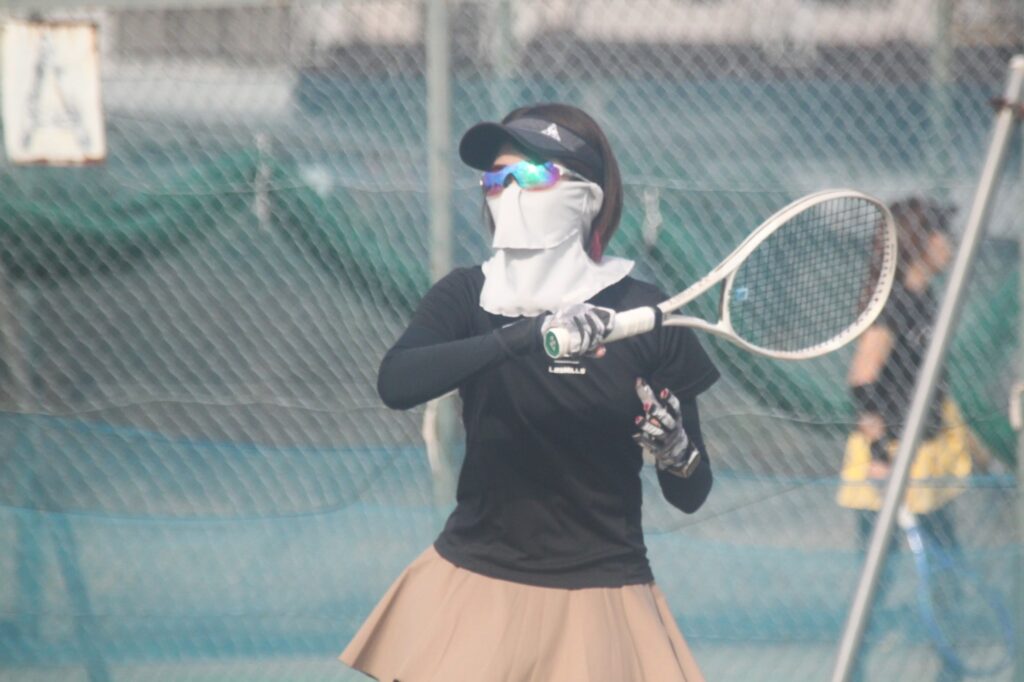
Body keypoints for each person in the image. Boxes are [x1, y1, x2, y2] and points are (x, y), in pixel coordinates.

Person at [339, 103, 719, 681]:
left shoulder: (643, 311)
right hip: (476, 585)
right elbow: (397, 381)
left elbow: (691, 493)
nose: (509, 192)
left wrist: (676, 451)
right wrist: (528, 334)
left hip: (604, 597)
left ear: (587, 195)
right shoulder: (468, 296)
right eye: (497, 178)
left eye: (533, 175)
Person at [837, 196, 972, 682]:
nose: (949, 243)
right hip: (888, 464)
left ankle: (948, 670)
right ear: (920, 242)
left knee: (947, 572)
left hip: (925, 461)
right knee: (878, 578)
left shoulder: (927, 299)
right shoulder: (892, 304)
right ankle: (853, 670)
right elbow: (862, 379)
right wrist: (879, 456)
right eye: (940, 233)